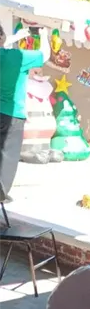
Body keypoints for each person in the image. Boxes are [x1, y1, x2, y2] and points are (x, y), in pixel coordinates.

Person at [0, 24, 51, 202]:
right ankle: (0, 195)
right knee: (8, 157)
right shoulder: (17, 57)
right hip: (11, 114)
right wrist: (44, 35)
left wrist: (15, 37)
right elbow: (45, 54)